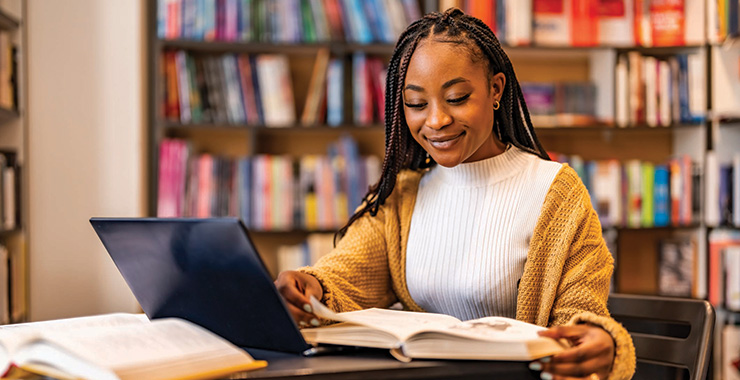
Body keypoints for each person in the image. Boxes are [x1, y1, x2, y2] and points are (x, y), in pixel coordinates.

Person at [275, 8, 635, 380]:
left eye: (458, 97)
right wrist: (311, 286)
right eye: (416, 103)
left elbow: (582, 312)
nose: (436, 121)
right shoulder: (404, 194)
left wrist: (600, 342)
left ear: (495, 89)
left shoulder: (556, 192)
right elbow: (346, 273)